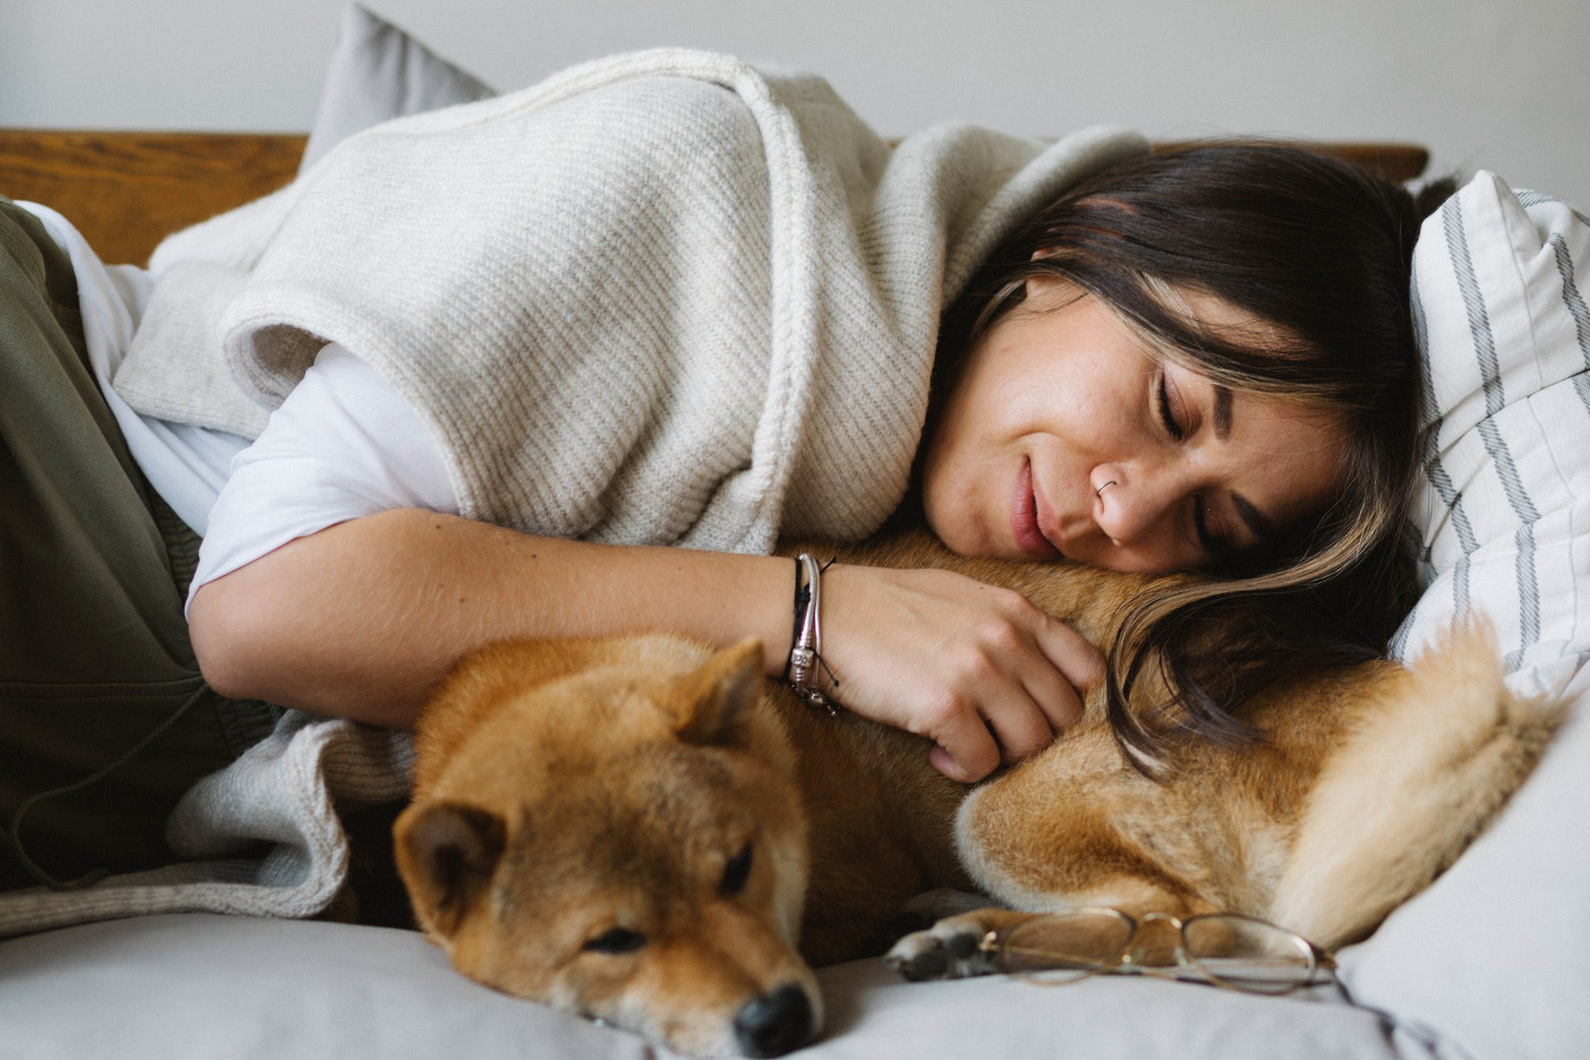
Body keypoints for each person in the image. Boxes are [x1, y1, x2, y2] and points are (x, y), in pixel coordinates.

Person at [0, 58, 1447, 894]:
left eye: (1210, 520)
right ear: (1083, 245)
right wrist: (805, 613)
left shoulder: (927, 499)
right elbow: (265, 610)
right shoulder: (690, 189)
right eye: (1168, 403)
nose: (1126, 507)